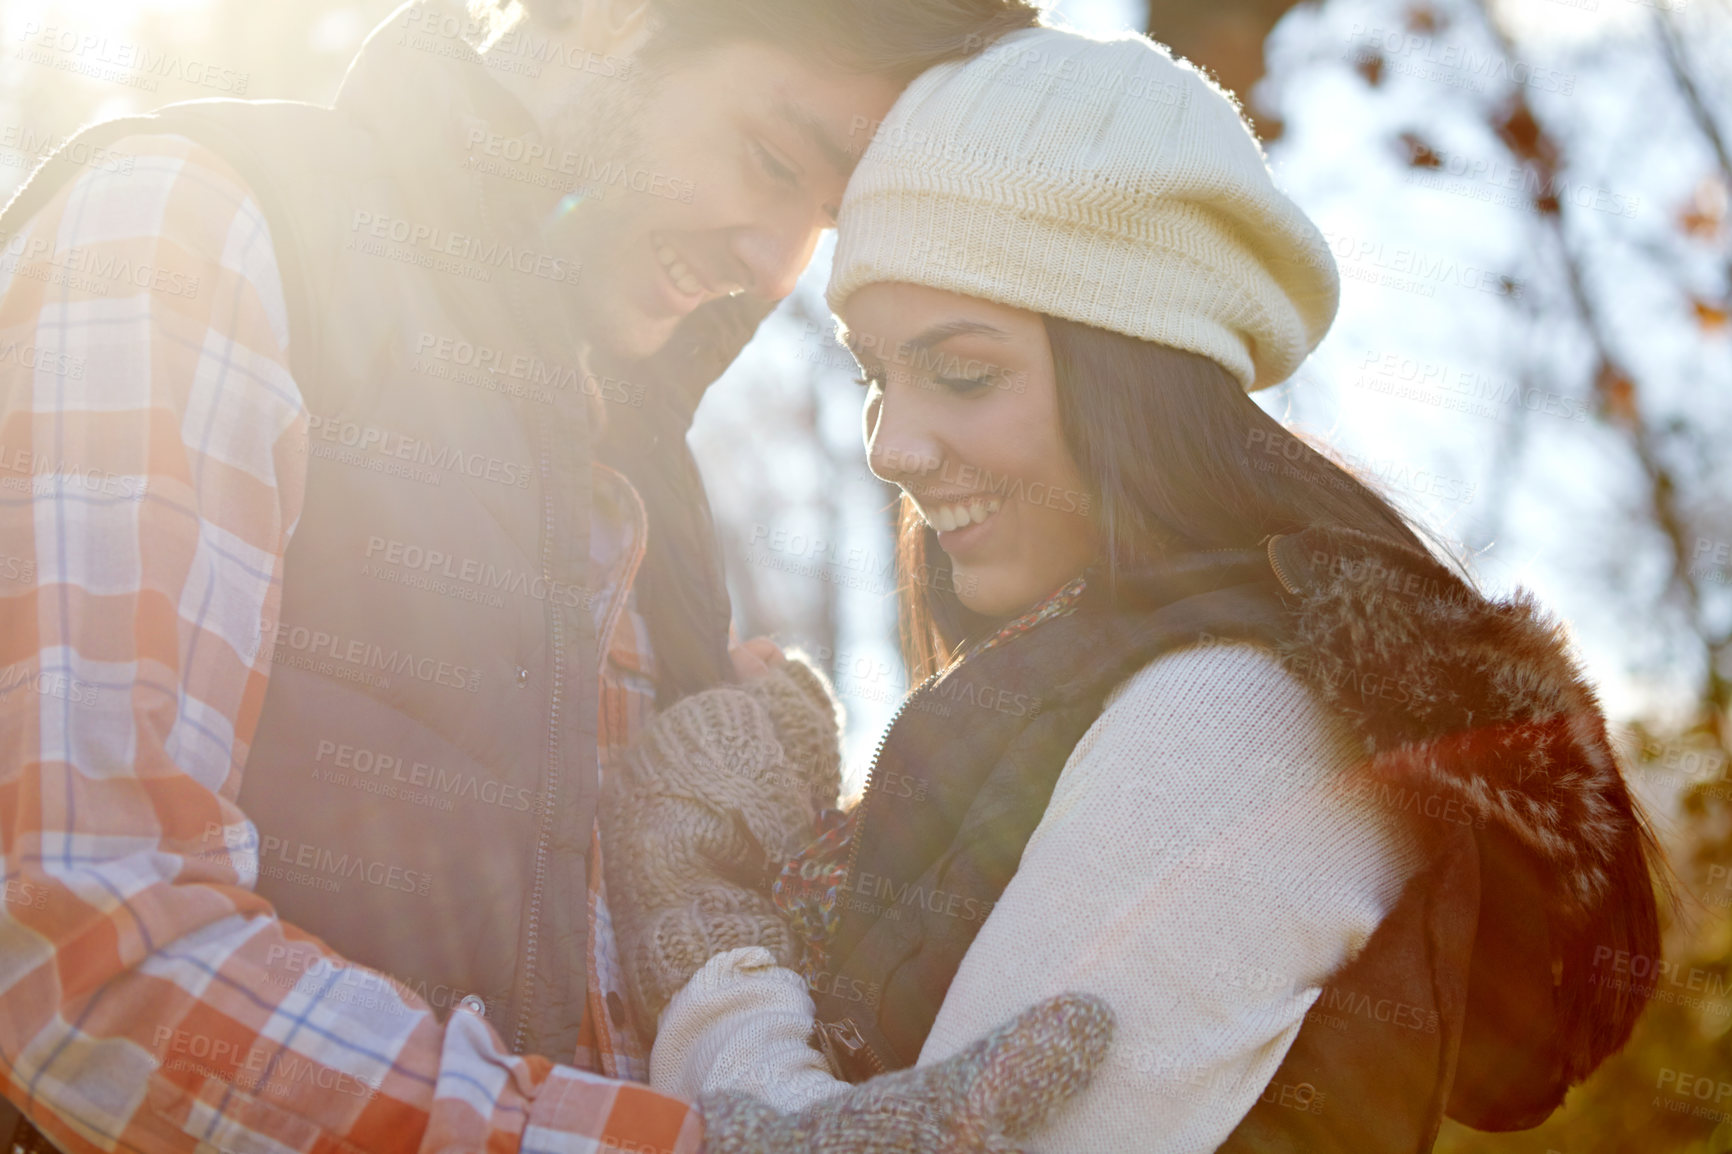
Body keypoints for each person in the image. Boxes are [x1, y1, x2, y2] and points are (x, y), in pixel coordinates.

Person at [0, 1, 1120, 1150]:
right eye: (772, 158)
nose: (774, 263)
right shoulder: (195, 230)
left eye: (825, 218)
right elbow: (85, 948)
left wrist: (786, 874)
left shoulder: (649, 489)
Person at [600, 25, 1667, 1153]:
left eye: (961, 370)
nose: (891, 444)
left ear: (1134, 379)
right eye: (876, 372)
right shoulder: (1101, 686)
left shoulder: (1230, 723)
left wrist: (710, 929)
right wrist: (785, 848)